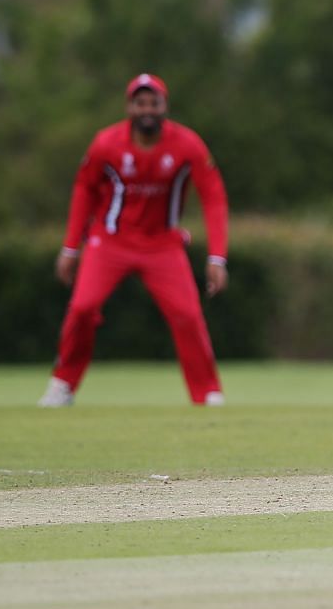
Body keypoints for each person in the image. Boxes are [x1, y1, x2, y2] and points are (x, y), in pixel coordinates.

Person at [38, 73, 231, 407]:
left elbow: (214, 196)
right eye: (140, 103)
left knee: (187, 315)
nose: (147, 110)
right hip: (110, 240)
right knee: (82, 307)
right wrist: (71, 247)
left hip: (163, 244)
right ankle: (63, 384)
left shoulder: (187, 144)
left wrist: (217, 257)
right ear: (129, 106)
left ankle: (207, 393)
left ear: (164, 106)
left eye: (153, 103)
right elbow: (84, 189)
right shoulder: (106, 143)